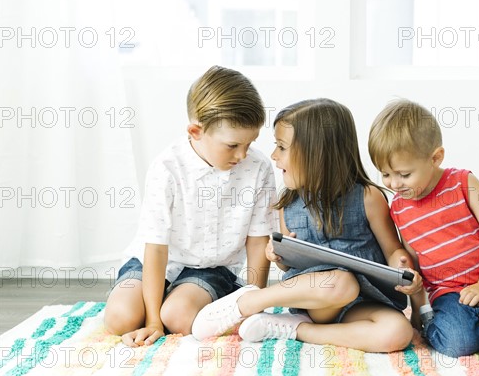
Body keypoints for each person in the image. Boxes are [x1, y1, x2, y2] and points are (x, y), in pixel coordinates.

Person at [191, 99, 423, 353]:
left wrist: (401, 262)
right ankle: (248, 301)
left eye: (281, 147)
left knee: (398, 332)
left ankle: (296, 330)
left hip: (362, 304)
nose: (274, 156)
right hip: (317, 298)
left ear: (316, 154)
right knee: (342, 283)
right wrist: (276, 255)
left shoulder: (368, 197)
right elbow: (287, 265)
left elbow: (392, 250)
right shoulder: (287, 204)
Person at [104, 65, 277, 347]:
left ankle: (179, 299)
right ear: (196, 131)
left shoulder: (257, 168)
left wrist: (253, 300)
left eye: (250, 143)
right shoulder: (167, 168)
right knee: (120, 319)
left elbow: (257, 242)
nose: (243, 154)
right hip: (154, 262)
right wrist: (151, 322)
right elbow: (156, 247)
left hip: (211, 267)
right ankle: (157, 300)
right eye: (232, 145)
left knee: (178, 318)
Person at [368, 99, 479, 358]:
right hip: (448, 291)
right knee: (458, 345)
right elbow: (415, 261)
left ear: (435, 158)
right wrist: (417, 309)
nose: (394, 183)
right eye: (386, 174)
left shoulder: (463, 182)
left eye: (404, 174)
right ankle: (475, 326)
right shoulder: (399, 208)